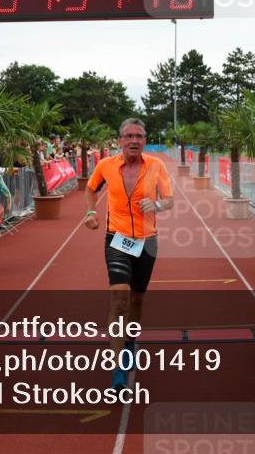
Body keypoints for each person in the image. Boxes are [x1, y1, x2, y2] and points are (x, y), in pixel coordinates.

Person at [85, 118, 173, 389]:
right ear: (120, 140)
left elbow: (169, 200)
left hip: (147, 241)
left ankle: (130, 341)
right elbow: (90, 188)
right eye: (129, 136)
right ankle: (118, 368)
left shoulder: (156, 166)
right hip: (117, 238)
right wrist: (90, 211)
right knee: (120, 300)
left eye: (139, 136)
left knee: (137, 299)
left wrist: (156, 204)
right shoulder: (106, 166)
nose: (134, 140)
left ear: (144, 140)